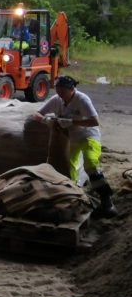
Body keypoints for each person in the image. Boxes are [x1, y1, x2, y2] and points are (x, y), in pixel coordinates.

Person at [34, 76, 118, 217]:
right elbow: (36, 114)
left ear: (72, 89)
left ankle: (107, 201)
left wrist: (72, 122)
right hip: (72, 139)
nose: (60, 95)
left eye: (62, 92)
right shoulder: (57, 99)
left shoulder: (82, 99)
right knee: (69, 167)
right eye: (57, 91)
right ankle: (74, 195)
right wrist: (45, 120)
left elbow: (94, 121)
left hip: (88, 136)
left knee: (90, 163)